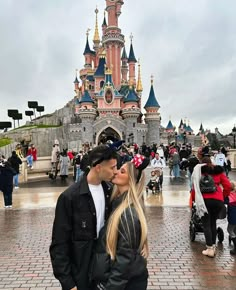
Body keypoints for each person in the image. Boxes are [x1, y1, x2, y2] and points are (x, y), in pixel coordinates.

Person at [49, 145, 118, 290]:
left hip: (104, 275)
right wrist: (68, 283)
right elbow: (59, 244)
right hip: (80, 278)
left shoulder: (110, 192)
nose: (115, 172)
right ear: (98, 167)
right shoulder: (69, 198)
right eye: (112, 167)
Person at [92, 154, 149, 290]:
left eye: (122, 171)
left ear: (131, 180)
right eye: (118, 168)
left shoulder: (128, 213)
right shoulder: (117, 203)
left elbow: (124, 260)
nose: (116, 172)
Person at [191, 156, 231, 257]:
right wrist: (223, 195)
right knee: (213, 223)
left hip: (204, 201)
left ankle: (209, 249)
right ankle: (213, 246)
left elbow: (194, 188)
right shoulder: (218, 171)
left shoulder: (199, 172)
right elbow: (228, 186)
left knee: (206, 224)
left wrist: (193, 200)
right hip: (217, 201)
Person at [225, 181, 236, 255]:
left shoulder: (229, 196)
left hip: (233, 217)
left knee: (230, 230)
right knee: (235, 230)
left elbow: (223, 202)